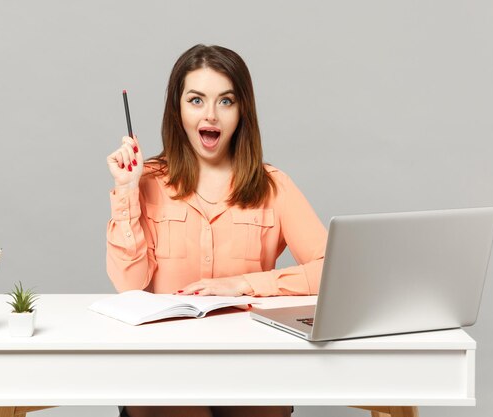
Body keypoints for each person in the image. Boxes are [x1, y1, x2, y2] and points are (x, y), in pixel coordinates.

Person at [106, 44, 327, 417]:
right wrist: (127, 190)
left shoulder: (273, 186)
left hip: (251, 361)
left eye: (225, 101)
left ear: (242, 112)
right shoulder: (146, 181)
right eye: (196, 100)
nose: (210, 115)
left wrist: (243, 284)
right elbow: (129, 284)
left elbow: (332, 271)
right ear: (177, 110)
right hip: (164, 361)